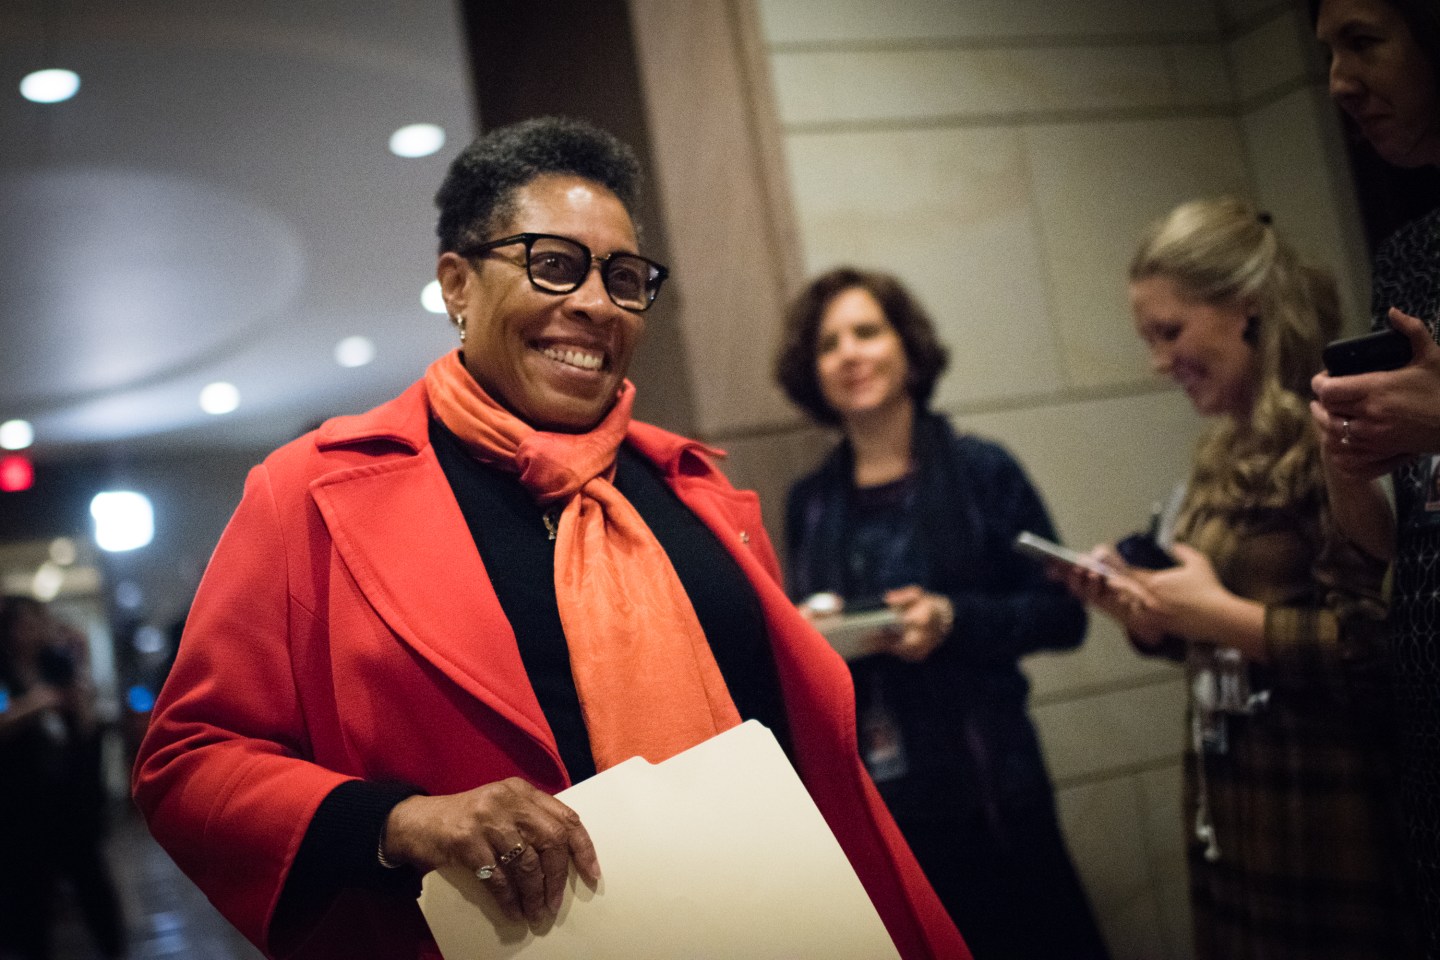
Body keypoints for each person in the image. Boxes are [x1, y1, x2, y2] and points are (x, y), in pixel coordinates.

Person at [131, 117, 968, 960]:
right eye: (554, 265)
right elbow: (190, 763)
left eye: (624, 278)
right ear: (457, 285)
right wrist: (403, 822)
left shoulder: (697, 490)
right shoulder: (307, 493)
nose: (597, 305)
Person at [1061, 197, 1415, 959]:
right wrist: (1150, 616)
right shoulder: (1221, 451)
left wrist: (1216, 615)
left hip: (1325, 812)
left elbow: (1386, 651)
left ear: (1246, 307)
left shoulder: (1337, 435)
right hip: (1235, 803)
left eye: (1170, 332)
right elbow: (1218, 626)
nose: (1159, 362)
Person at [773, 267, 1109, 960]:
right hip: (883, 800)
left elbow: (1063, 616)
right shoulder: (810, 502)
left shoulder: (982, 470)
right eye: (829, 343)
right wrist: (813, 634)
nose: (849, 353)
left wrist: (952, 619)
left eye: (867, 332)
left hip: (995, 791)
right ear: (812, 371)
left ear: (908, 347)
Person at [1309, 1, 1440, 952]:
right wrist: (1349, 457)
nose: (1339, 84)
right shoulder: (1410, 254)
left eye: (1362, 42)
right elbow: (1398, 540)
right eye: (1328, 54)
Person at [0, 595, 127, 960]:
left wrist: (81, 681)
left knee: (90, 877)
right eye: (27, 623)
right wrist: (36, 704)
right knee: (30, 892)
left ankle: (113, 949)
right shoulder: (5, 671)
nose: (35, 630)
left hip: (68, 792)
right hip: (21, 797)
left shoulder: (55, 662)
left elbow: (85, 723)